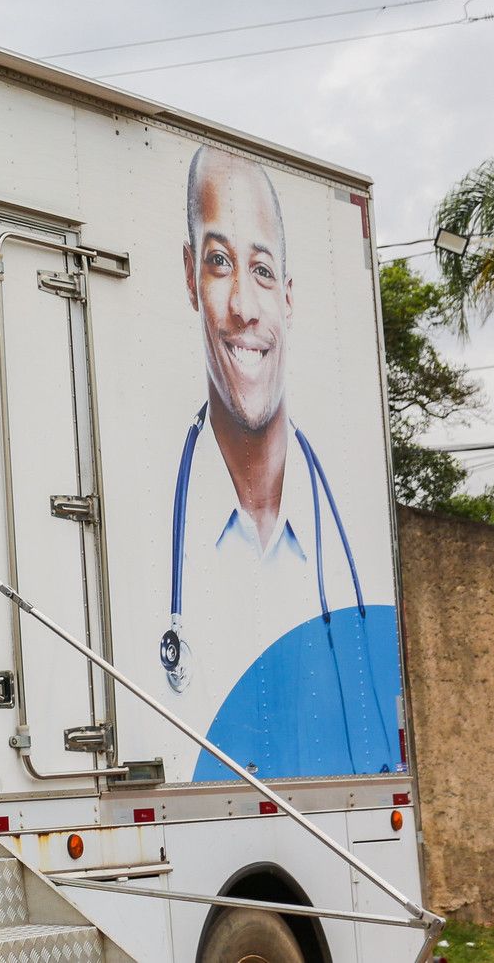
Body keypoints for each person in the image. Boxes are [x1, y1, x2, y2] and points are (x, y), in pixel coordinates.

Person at [162, 148, 398, 779]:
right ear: (190, 278)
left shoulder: (343, 539)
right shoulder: (150, 528)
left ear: (288, 297)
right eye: (218, 262)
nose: (243, 305)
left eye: (262, 271)